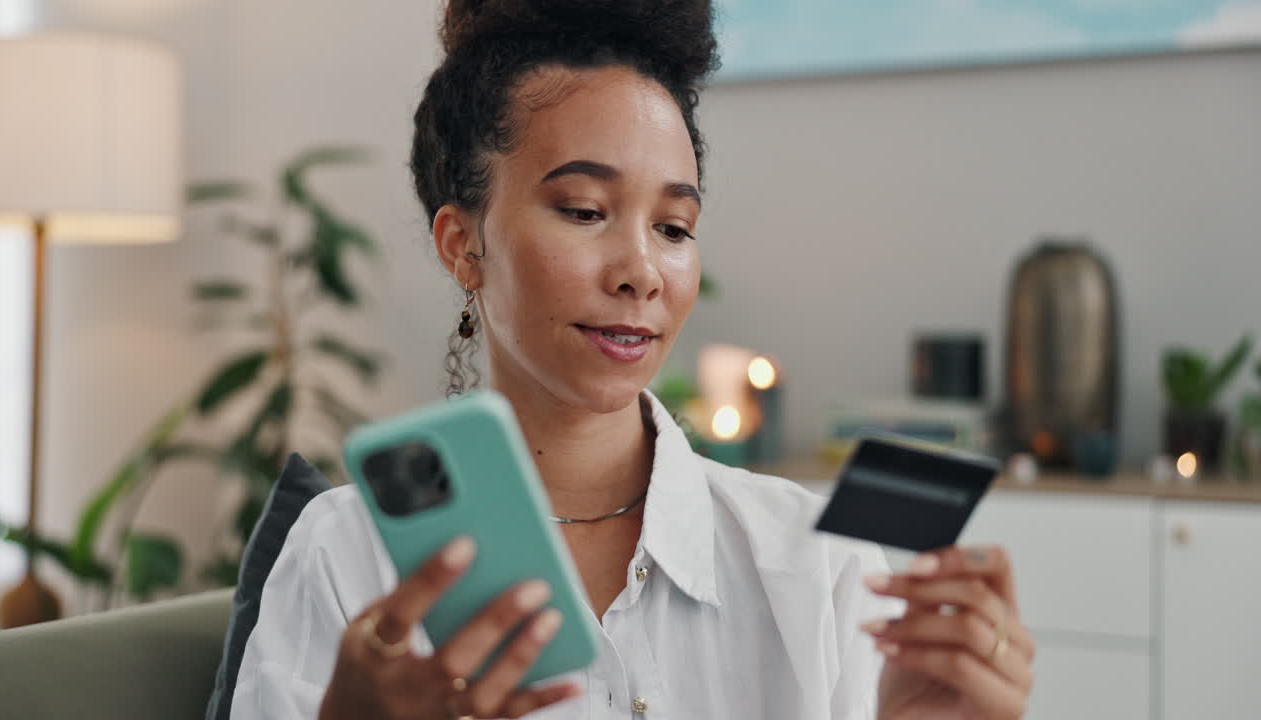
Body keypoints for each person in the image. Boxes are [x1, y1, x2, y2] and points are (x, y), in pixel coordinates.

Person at [230, 1, 1036, 718]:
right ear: (462, 243)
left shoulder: (819, 567)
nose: (641, 271)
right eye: (584, 210)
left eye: (674, 227)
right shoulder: (347, 556)